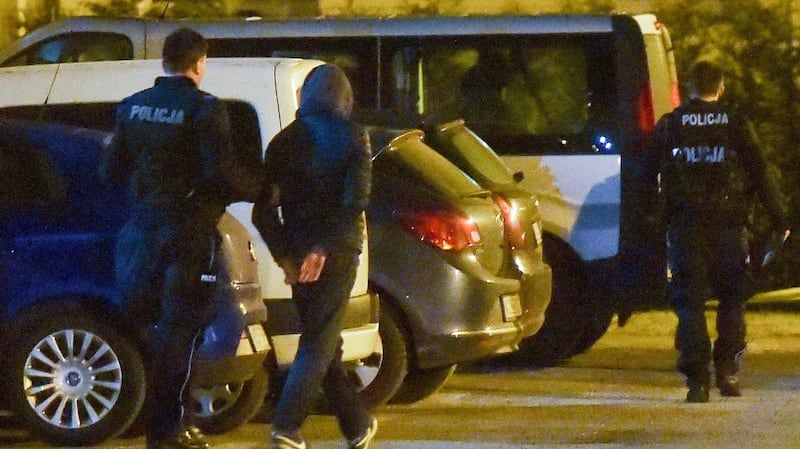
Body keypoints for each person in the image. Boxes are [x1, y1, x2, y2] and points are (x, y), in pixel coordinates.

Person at [100, 28, 260, 449]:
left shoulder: (133, 108)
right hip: (186, 237)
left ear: (164, 61)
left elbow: (109, 171)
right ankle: (169, 430)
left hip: (141, 235)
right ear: (199, 63)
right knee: (182, 332)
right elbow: (221, 173)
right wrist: (260, 189)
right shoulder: (205, 110)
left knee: (154, 330)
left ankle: (162, 424)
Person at [641, 60, 789, 403]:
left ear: (690, 88)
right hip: (728, 226)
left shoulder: (671, 124)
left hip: (684, 228)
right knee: (733, 300)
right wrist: (779, 218)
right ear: (720, 88)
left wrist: (648, 217)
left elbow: (645, 175)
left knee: (689, 303)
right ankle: (728, 372)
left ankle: (698, 382)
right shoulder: (735, 123)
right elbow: (761, 171)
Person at [252, 64, 376, 449]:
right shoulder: (355, 138)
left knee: (324, 343)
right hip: (336, 252)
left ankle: (357, 424)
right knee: (319, 343)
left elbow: (263, 211)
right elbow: (354, 201)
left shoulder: (283, 142)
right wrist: (323, 247)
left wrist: (286, 255)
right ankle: (286, 428)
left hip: (299, 251)